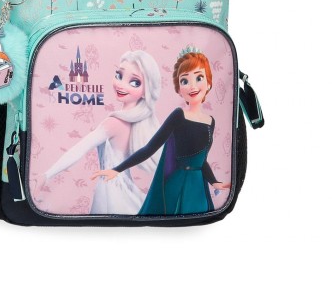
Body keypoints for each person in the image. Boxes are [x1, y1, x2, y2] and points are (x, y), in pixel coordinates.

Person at [91, 47, 231, 215]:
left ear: (208, 83)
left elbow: (202, 161)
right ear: (179, 89)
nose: (192, 86)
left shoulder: (210, 121)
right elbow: (150, 148)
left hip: (199, 186)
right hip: (177, 185)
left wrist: (214, 182)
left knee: (199, 220)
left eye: (199, 78)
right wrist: (117, 169)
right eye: (184, 81)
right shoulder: (178, 115)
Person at [42, 50, 162, 215]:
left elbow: (80, 149)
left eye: (135, 82)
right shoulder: (139, 123)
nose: (121, 85)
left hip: (110, 189)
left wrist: (47, 175)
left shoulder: (114, 123)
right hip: (126, 189)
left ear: (146, 91)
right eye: (119, 75)